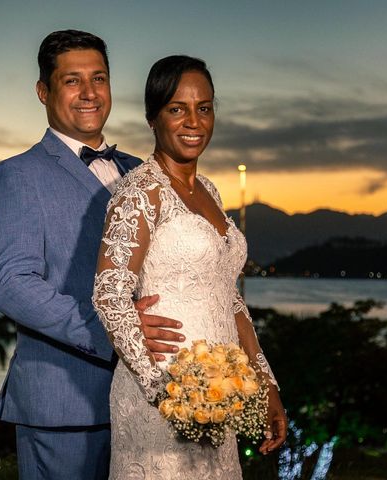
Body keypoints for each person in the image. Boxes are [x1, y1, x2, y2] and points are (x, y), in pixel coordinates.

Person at [0, 30, 183, 480]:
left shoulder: (143, 169)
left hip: (149, 400)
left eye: (99, 78)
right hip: (65, 405)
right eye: (73, 81)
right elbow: (12, 285)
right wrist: (115, 331)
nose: (90, 93)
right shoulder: (17, 176)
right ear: (43, 91)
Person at [93, 55, 287, 479]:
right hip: (164, 397)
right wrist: (167, 392)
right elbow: (109, 295)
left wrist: (265, 383)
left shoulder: (211, 192)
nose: (193, 121)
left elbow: (229, 299)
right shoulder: (139, 192)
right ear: (152, 117)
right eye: (177, 109)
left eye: (204, 108)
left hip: (222, 399)